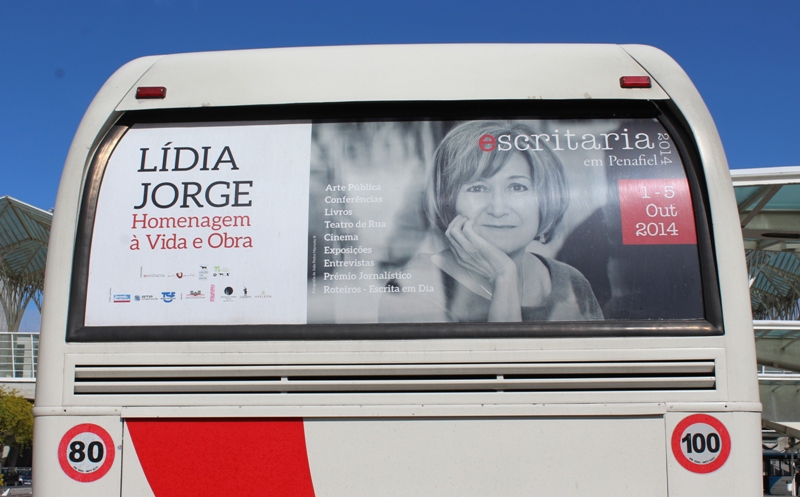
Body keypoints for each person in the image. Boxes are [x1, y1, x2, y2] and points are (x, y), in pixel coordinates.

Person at [379, 120, 602, 323]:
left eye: (517, 187)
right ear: (449, 201)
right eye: (478, 188)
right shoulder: (416, 286)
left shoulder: (571, 280)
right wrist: (503, 277)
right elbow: (506, 356)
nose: (498, 209)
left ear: (544, 199)